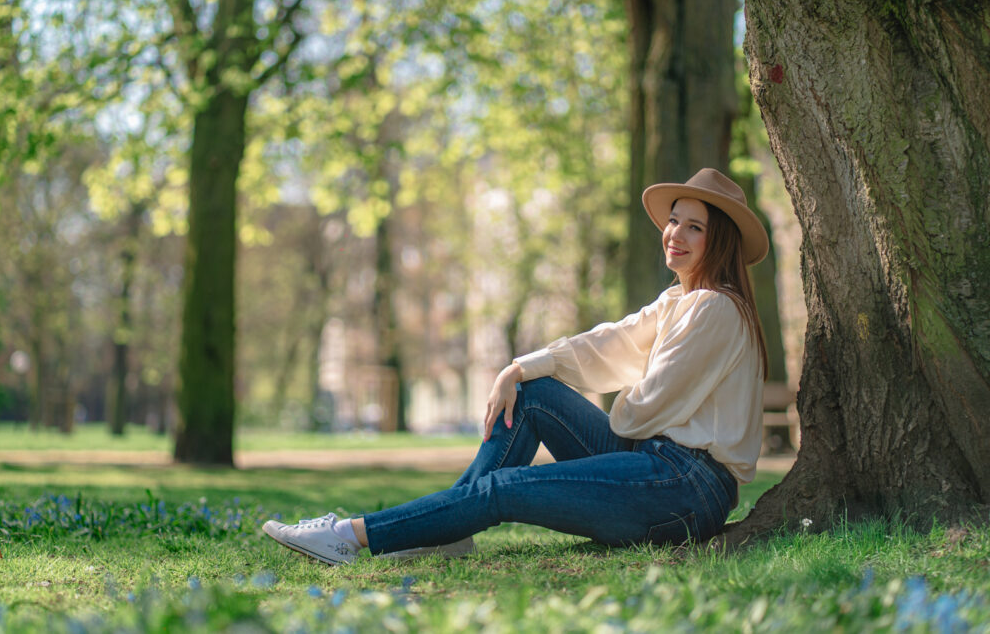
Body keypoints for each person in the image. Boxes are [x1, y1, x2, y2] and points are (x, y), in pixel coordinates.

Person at [263, 168, 770, 565]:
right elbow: (609, 344)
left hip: (684, 487)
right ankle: (447, 531)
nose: (674, 233)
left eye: (694, 227)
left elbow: (641, 413)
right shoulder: (678, 301)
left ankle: (349, 536)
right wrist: (520, 368)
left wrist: (626, 395)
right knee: (530, 396)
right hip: (658, 465)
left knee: (503, 490)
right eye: (674, 220)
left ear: (718, 239)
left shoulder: (715, 308)